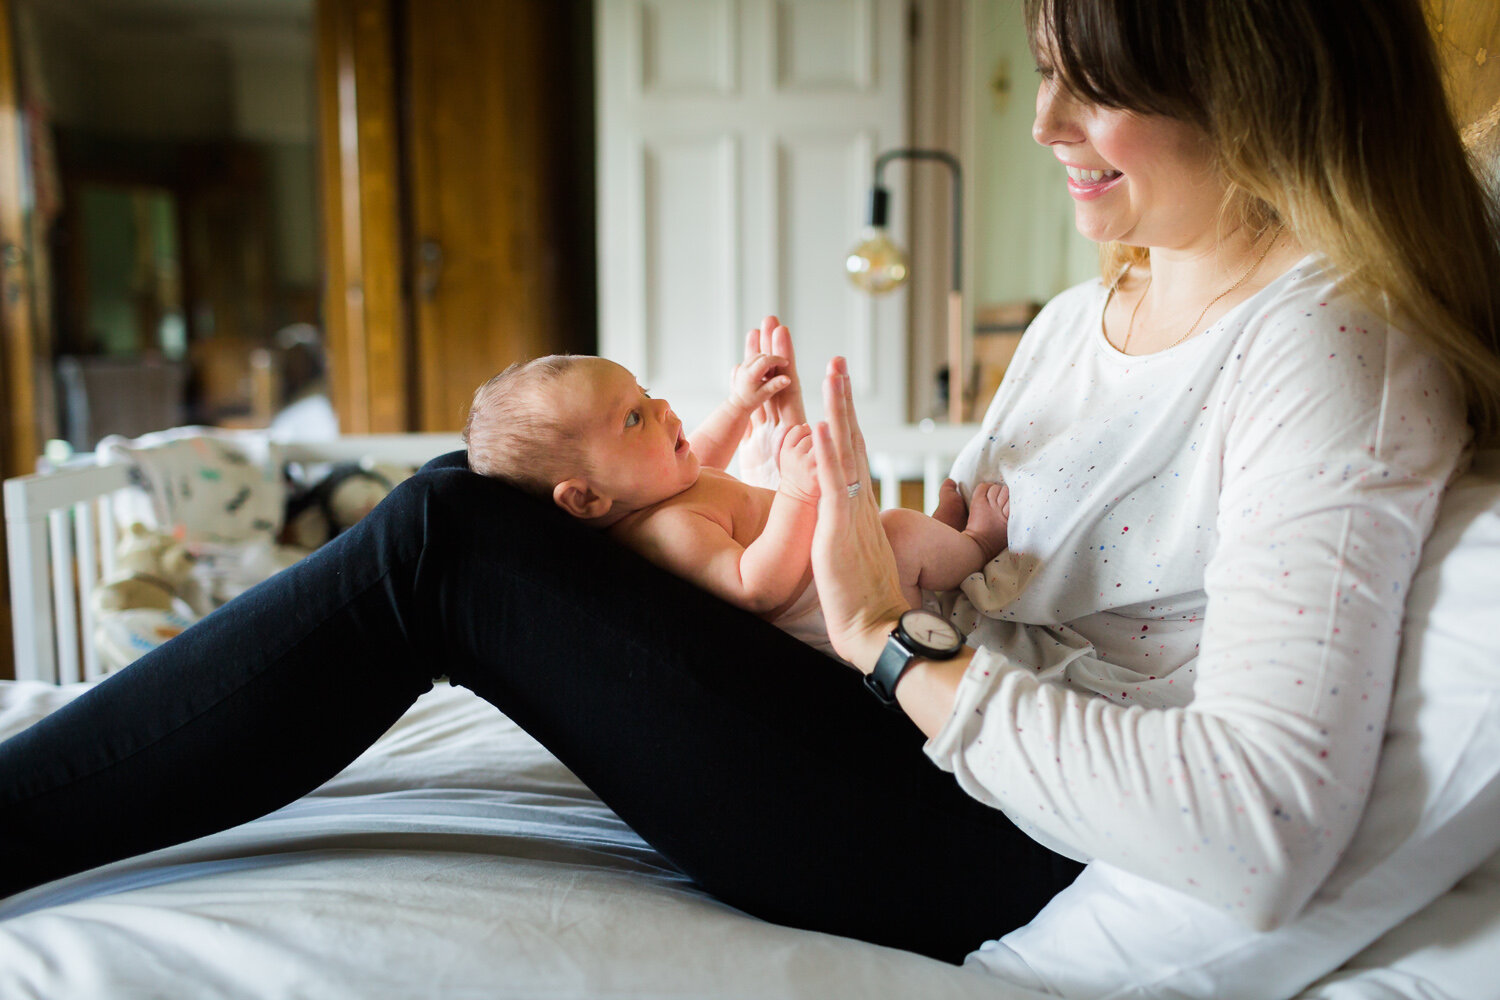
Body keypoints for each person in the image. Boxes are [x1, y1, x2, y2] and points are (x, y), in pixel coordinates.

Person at [2, 0, 1498, 983]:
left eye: (1098, 90)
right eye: (1045, 69)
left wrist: (887, 643)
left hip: (990, 838)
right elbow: (954, 574)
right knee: (497, 514)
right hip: (899, 740)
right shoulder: (1077, 316)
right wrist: (800, 558)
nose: (1047, 127)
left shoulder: (1331, 349)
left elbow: (1259, 829)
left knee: (446, 541)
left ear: (1258, 83)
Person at [461, 343, 1012, 652]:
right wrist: (796, 491)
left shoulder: (661, 487)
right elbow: (756, 587)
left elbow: (702, 452)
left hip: (839, 571)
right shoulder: (664, 532)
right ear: (585, 499)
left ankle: (938, 550)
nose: (663, 409)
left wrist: (739, 404)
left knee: (890, 528)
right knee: (896, 530)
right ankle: (976, 546)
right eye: (632, 418)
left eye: (646, 394)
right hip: (835, 609)